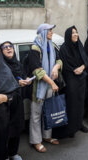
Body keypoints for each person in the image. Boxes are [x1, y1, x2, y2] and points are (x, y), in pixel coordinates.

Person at [25, 23, 62, 153]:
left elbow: (59, 60)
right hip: (39, 88)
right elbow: (37, 71)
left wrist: (56, 68)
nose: (52, 33)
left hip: (50, 86)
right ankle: (36, 141)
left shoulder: (51, 46)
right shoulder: (35, 48)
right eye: (50, 31)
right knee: (36, 114)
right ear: (43, 33)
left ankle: (47, 136)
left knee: (48, 111)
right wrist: (51, 83)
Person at [55, 26, 88, 138]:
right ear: (69, 35)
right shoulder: (64, 49)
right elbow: (64, 65)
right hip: (70, 79)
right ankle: (71, 128)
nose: (75, 34)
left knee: (81, 102)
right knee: (72, 104)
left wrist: (82, 67)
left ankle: (79, 124)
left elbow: (86, 59)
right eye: (73, 33)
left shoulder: (80, 45)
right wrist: (75, 70)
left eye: (76, 32)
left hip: (81, 79)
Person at [1, 41, 32, 160]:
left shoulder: (17, 63)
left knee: (17, 127)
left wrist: (27, 79)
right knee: (5, 130)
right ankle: (4, 155)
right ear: (1, 51)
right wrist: (16, 82)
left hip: (17, 101)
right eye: (5, 47)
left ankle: (13, 153)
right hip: (5, 103)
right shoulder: (1, 66)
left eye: (10, 47)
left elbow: (22, 76)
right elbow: (1, 83)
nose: (9, 49)